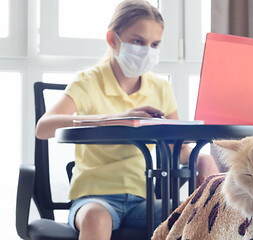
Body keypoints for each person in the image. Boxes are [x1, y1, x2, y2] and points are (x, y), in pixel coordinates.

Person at [35, 0, 219, 239]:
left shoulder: (160, 88)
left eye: (154, 44)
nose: (147, 50)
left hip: (144, 202)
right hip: (95, 199)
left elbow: (178, 147)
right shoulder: (88, 81)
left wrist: (201, 160)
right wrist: (117, 118)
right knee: (96, 218)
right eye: (138, 41)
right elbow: (44, 127)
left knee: (193, 217)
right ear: (113, 39)